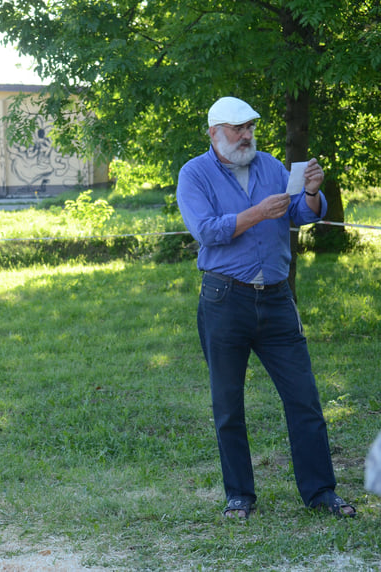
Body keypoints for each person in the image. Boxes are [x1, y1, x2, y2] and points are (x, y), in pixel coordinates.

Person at [176, 96, 356, 519]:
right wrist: (255, 214)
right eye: (237, 128)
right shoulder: (194, 174)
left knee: (305, 400)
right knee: (227, 405)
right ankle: (239, 496)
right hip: (225, 299)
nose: (246, 135)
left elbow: (303, 214)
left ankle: (321, 493)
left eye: (250, 126)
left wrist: (311, 192)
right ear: (213, 132)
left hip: (276, 300)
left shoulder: (272, 166)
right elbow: (205, 230)